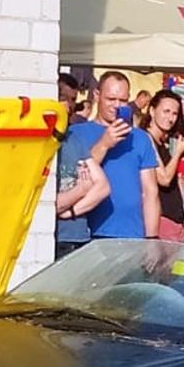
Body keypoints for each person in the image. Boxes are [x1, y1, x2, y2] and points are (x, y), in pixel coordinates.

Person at [67, 70, 161, 241]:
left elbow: (150, 192)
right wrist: (104, 144)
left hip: (132, 234)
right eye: (111, 99)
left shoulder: (139, 138)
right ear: (97, 95)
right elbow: (72, 178)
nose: (117, 106)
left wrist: (152, 238)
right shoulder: (76, 133)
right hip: (89, 233)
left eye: (123, 100)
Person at [143, 90, 184, 241]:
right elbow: (163, 178)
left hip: (174, 219)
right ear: (152, 111)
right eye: (166, 111)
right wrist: (178, 152)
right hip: (162, 219)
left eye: (174, 113)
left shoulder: (162, 143)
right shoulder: (146, 139)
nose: (170, 118)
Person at [53, 129, 110, 258]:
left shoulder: (73, 139)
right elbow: (50, 205)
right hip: (55, 241)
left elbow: (103, 187)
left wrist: (71, 211)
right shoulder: (40, 143)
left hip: (79, 239)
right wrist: (81, 190)